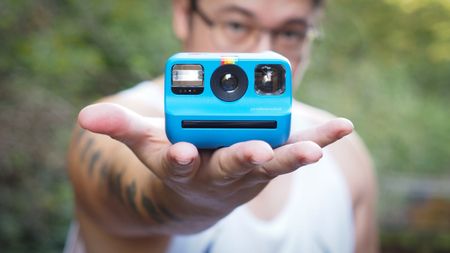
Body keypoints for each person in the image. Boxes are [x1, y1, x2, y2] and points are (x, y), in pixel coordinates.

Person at [65, 0, 378, 252]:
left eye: (291, 33)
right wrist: (185, 199)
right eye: (236, 25)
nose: (261, 52)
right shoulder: (123, 128)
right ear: (183, 13)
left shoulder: (346, 154)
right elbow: (116, 190)